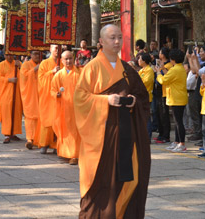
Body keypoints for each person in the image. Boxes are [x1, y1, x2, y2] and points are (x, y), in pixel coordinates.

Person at [74, 24, 150, 218]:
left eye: (119, 37)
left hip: (126, 132)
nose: (117, 42)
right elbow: (80, 98)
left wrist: (133, 102)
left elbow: (142, 96)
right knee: (102, 180)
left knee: (130, 179)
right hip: (102, 135)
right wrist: (105, 100)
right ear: (101, 42)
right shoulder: (92, 67)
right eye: (111, 38)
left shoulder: (127, 68)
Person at [156, 49, 188, 153]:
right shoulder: (179, 68)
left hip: (176, 98)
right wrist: (162, 69)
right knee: (177, 121)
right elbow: (169, 75)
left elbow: (164, 80)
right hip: (178, 97)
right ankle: (177, 141)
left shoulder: (175, 69)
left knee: (178, 122)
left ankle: (181, 143)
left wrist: (158, 73)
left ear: (172, 59)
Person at [52, 50, 81, 165]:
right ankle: (65, 153)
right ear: (62, 61)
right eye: (66, 59)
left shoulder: (79, 73)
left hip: (76, 108)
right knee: (65, 130)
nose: (69, 61)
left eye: (70, 58)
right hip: (63, 107)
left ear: (74, 59)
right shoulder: (59, 75)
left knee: (75, 131)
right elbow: (52, 89)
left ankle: (74, 155)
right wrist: (56, 94)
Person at [37, 44, 61, 153]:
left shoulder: (63, 62)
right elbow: (41, 80)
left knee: (58, 120)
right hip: (47, 96)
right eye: (55, 48)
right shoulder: (44, 63)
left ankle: (57, 144)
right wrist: (52, 72)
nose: (57, 50)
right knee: (47, 120)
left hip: (59, 96)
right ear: (50, 49)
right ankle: (44, 143)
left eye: (59, 48)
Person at [0, 55, 23, 143]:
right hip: (5, 93)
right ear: (5, 55)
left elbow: (24, 74)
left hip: (17, 93)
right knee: (7, 113)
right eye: (7, 55)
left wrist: (20, 67)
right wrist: (9, 80)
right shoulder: (1, 65)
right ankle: (7, 134)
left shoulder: (18, 63)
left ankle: (13, 133)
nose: (9, 57)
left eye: (11, 55)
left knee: (16, 112)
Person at [19, 51, 41, 149]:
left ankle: (39, 139)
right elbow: (24, 76)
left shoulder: (43, 64)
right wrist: (35, 69)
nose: (37, 56)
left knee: (40, 117)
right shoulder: (26, 65)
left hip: (41, 95)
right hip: (30, 95)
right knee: (30, 117)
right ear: (30, 55)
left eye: (38, 54)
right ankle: (30, 139)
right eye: (35, 54)